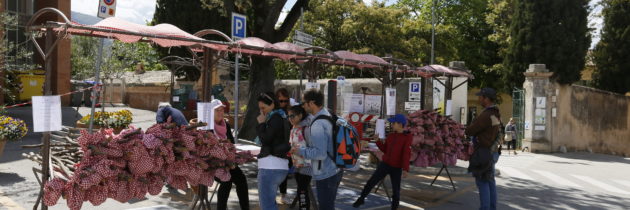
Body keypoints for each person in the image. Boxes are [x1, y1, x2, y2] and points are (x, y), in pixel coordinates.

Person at [291, 90, 343, 210]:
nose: (302, 106)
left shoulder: (317, 124)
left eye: (304, 103)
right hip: (336, 168)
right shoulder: (328, 113)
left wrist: (301, 151)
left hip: (326, 173)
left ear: (312, 103)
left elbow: (320, 154)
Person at [353, 114, 412, 209]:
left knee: (396, 190)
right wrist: (378, 141)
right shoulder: (391, 135)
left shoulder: (407, 137)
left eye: (394, 123)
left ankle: (394, 208)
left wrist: (405, 169)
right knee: (371, 182)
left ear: (400, 124)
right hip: (385, 164)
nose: (392, 124)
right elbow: (385, 149)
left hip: (397, 167)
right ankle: (361, 199)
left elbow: (406, 154)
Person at [210, 99, 250, 210]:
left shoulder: (226, 125)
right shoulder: (207, 126)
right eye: (217, 110)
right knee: (226, 180)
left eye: (221, 110)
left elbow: (232, 144)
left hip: (228, 161)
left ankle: (245, 208)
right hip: (213, 163)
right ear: (211, 112)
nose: (220, 112)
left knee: (241, 179)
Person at [466, 87, 501, 210]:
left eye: (481, 96)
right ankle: (491, 207)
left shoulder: (486, 114)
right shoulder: (495, 113)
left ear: (486, 99)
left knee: (482, 181)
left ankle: (485, 208)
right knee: (490, 181)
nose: (479, 98)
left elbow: (470, 130)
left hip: (483, 152)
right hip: (492, 151)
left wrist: (466, 128)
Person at [256, 92, 291, 210]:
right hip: (279, 166)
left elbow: (265, 139)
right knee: (270, 204)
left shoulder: (275, 118)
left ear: (272, 104)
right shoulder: (281, 116)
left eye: (263, 108)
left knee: (267, 206)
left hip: (270, 167)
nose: (262, 111)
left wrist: (261, 124)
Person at [287, 105, 313, 210]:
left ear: (300, 115)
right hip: (297, 165)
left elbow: (313, 148)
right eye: (288, 116)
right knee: (301, 190)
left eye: (292, 116)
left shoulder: (306, 129)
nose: (290, 119)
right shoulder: (293, 128)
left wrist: (298, 151)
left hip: (307, 166)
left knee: (302, 191)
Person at [275, 88, 294, 204]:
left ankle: (283, 194)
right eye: (280, 101)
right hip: (276, 145)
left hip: (288, 145)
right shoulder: (273, 111)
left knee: (285, 171)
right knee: (275, 171)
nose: (283, 103)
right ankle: (273, 194)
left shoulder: (290, 111)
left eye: (285, 101)